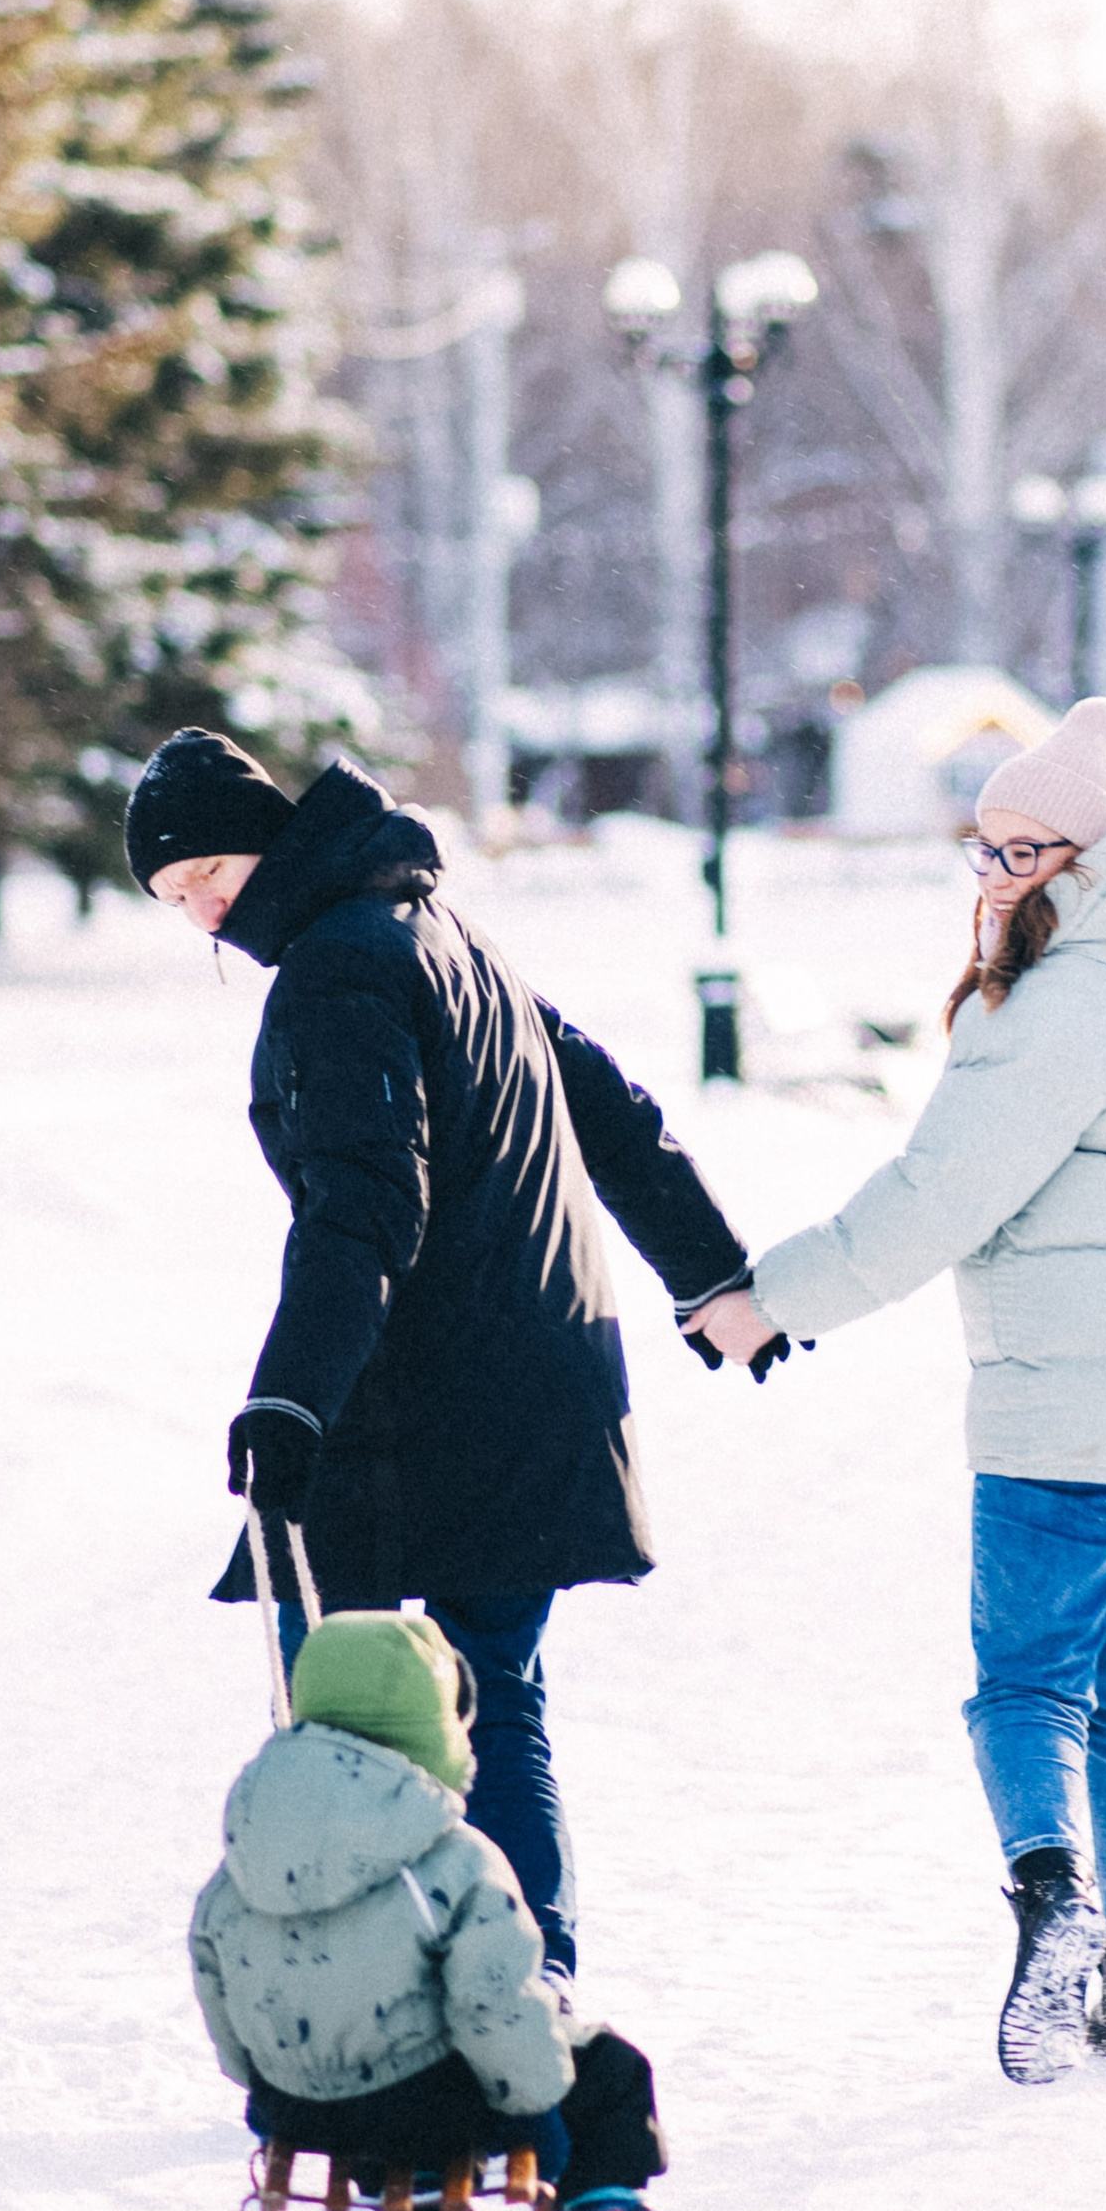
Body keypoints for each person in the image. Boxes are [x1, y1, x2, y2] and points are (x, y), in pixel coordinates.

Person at [693, 697, 1106, 2087]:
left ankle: (1055, 1900)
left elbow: (942, 1195)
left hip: (1072, 1411)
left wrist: (765, 1304)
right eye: (982, 849)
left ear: (1090, 856)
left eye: (1020, 853)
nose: (991, 876)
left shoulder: (1066, 1003)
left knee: (1029, 1683)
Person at [128, 729, 766, 1990]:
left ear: (265, 838)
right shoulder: (433, 930)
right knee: (493, 1698)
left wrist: (287, 1401)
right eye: (170, 896)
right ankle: (532, 1993)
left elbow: (363, 1209)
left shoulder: (338, 969)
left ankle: (387, 2008)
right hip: (526, 1382)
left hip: (412, 1403)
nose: (199, 906)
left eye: (204, 867)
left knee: (353, 1719)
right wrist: (709, 1275)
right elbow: (606, 1109)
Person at [191, 1606, 735, 2211]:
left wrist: (269, 2082)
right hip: (422, 2104)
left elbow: (216, 1984)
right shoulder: (452, 1857)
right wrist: (538, 2108)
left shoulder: (241, 1856)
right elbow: (494, 2008)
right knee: (605, 2074)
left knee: (389, 2061)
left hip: (297, 2109)